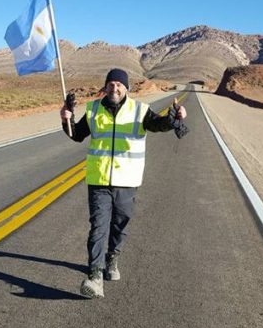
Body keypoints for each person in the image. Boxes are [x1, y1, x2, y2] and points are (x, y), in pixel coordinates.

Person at [60, 68, 187, 298]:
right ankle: (95, 276)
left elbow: (158, 124)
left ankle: (112, 258)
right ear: (105, 86)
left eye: (119, 84)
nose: (114, 87)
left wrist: (175, 117)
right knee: (98, 227)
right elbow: (77, 134)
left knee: (119, 225)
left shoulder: (139, 110)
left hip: (127, 181)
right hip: (99, 180)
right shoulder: (94, 109)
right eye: (110, 83)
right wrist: (65, 118)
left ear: (126, 88)